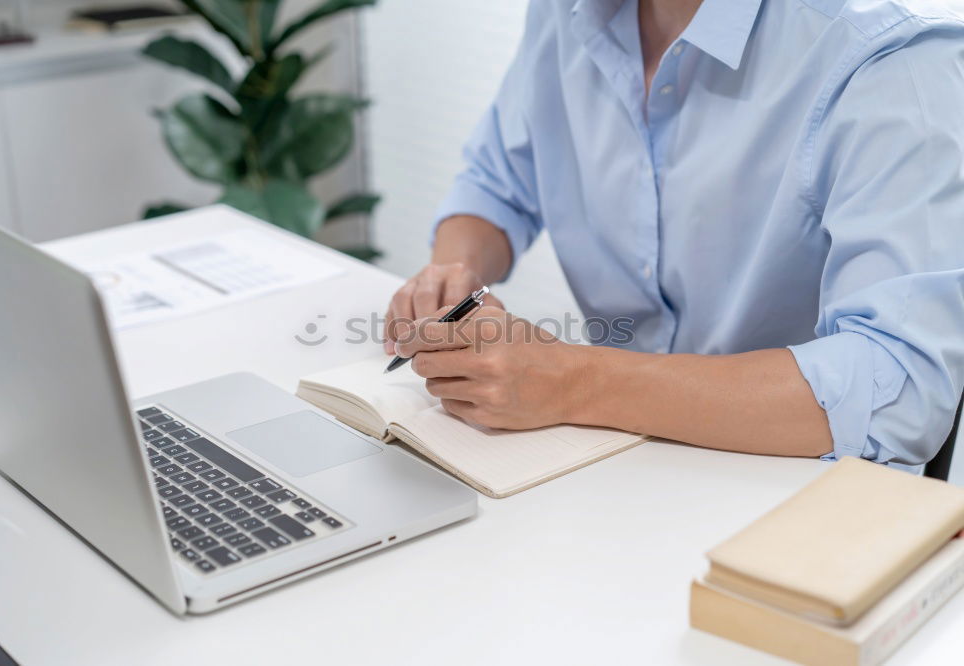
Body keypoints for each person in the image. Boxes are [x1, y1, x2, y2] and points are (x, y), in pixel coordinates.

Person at [383, 0, 964, 465]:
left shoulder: (894, 57)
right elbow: (497, 181)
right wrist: (450, 278)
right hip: (617, 463)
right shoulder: (565, 12)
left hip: (789, 488)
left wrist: (573, 380)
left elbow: (901, 387)